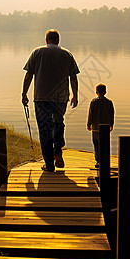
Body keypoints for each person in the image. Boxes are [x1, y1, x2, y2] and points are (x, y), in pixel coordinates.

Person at [22, 29, 80, 172]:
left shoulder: (37, 52)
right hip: (60, 99)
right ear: (58, 40)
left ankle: (49, 164)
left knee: (44, 129)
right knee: (58, 124)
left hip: (41, 97)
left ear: (46, 40)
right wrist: (75, 95)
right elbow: (73, 77)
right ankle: (58, 151)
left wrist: (24, 93)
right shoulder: (67, 54)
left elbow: (29, 75)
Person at [87, 83, 115, 168]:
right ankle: (105, 161)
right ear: (105, 92)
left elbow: (90, 114)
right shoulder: (109, 102)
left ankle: (98, 161)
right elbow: (112, 114)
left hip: (95, 128)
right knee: (105, 145)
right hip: (106, 127)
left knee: (96, 145)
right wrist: (111, 124)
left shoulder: (93, 102)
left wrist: (89, 124)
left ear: (96, 92)